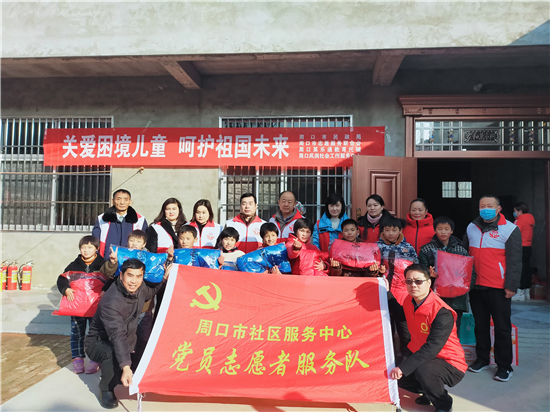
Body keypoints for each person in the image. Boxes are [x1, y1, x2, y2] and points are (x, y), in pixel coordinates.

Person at [85, 259, 169, 409]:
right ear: (121, 275)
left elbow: (150, 293)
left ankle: (119, 373)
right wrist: (125, 366)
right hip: (99, 342)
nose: (134, 281)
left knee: (142, 349)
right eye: (130, 275)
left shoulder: (140, 287)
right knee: (111, 353)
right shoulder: (111, 302)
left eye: (138, 276)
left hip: (126, 337)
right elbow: (117, 336)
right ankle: (106, 389)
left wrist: (164, 279)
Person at [389, 264, 467, 412]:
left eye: (418, 281)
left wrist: (404, 367)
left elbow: (432, 348)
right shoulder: (409, 301)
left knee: (423, 370)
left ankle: (444, 404)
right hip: (423, 355)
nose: (413, 285)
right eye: (409, 281)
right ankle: (428, 391)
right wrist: (386, 292)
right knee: (393, 372)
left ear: (429, 282)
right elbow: (401, 315)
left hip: (449, 362)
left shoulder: (442, 313)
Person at [463, 195, 522, 382]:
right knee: (480, 325)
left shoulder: (510, 229)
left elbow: (515, 260)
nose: (485, 209)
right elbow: (464, 254)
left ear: (499, 209)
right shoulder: (471, 227)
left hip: (499, 286)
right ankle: (482, 359)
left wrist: (511, 285)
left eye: (490, 206)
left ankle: (504, 366)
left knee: (502, 327)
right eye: (482, 206)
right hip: (476, 286)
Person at [57, 235, 117, 375]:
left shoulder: (102, 264)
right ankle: (77, 359)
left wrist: (105, 290)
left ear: (97, 249)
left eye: (90, 247)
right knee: (77, 333)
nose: (86, 250)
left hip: (96, 306)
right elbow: (62, 279)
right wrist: (66, 289)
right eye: (83, 247)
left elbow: (112, 279)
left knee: (95, 333)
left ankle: (95, 359)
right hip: (77, 307)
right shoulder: (74, 265)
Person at [101, 229, 156, 372]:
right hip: (124, 307)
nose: (134, 243)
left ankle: (140, 369)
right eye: (132, 240)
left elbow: (156, 279)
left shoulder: (151, 258)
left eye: (138, 241)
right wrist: (113, 262)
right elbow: (106, 273)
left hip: (143, 308)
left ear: (144, 244)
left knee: (143, 339)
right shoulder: (120, 255)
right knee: (122, 338)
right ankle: (123, 367)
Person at [418, 216, 476, 335]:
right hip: (435, 298)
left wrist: (465, 288)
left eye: (446, 229)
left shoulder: (461, 250)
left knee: (454, 331)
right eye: (440, 229)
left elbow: (471, 273)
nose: (443, 232)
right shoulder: (426, 250)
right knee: (435, 330)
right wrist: (429, 275)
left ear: (452, 231)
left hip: (457, 300)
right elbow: (421, 273)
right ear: (435, 230)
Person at [377, 216, 418, 357]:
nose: (390, 233)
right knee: (386, 327)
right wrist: (378, 271)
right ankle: (389, 358)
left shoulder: (408, 248)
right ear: (382, 231)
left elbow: (416, 268)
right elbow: (370, 267)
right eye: (387, 230)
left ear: (400, 231)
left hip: (404, 293)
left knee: (404, 327)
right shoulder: (376, 247)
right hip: (384, 292)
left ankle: (407, 358)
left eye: (394, 230)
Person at [92, 189, 148, 258]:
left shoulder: (140, 220)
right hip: (107, 260)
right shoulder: (102, 219)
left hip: (132, 261)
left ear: (130, 202)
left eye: (126, 199)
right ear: (113, 201)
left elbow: (145, 243)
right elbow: (95, 242)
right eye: (118, 199)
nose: (122, 202)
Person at [513, 202, 535, 301]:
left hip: (520, 246)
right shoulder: (530, 220)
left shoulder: (519, 221)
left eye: (515, 211)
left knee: (520, 269)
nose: (515, 213)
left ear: (520, 211)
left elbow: (514, 234)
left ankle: (520, 292)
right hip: (528, 246)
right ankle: (526, 292)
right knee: (527, 268)